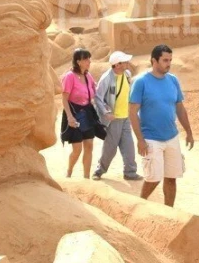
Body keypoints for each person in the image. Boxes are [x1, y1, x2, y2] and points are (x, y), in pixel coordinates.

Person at [128, 44, 194, 207]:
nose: (168, 63)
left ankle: (169, 213)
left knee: (171, 178)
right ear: (154, 61)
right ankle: (138, 206)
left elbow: (180, 107)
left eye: (170, 60)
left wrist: (189, 132)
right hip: (151, 138)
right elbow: (132, 112)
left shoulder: (173, 80)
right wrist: (140, 140)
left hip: (172, 137)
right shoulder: (141, 82)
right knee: (153, 178)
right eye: (165, 60)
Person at [92, 51, 142, 182]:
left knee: (129, 146)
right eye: (124, 61)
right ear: (117, 65)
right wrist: (106, 112)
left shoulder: (127, 74)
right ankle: (99, 171)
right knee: (110, 148)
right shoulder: (106, 78)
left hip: (125, 118)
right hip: (113, 120)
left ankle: (130, 172)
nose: (127, 63)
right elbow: (98, 98)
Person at [60, 48, 99, 179]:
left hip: (87, 113)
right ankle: (69, 172)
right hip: (74, 114)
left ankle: (86, 178)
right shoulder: (69, 77)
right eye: (86, 59)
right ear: (78, 61)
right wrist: (70, 117)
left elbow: (95, 90)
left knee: (89, 146)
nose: (89, 61)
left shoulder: (88, 76)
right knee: (77, 149)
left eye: (89, 58)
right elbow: (64, 99)